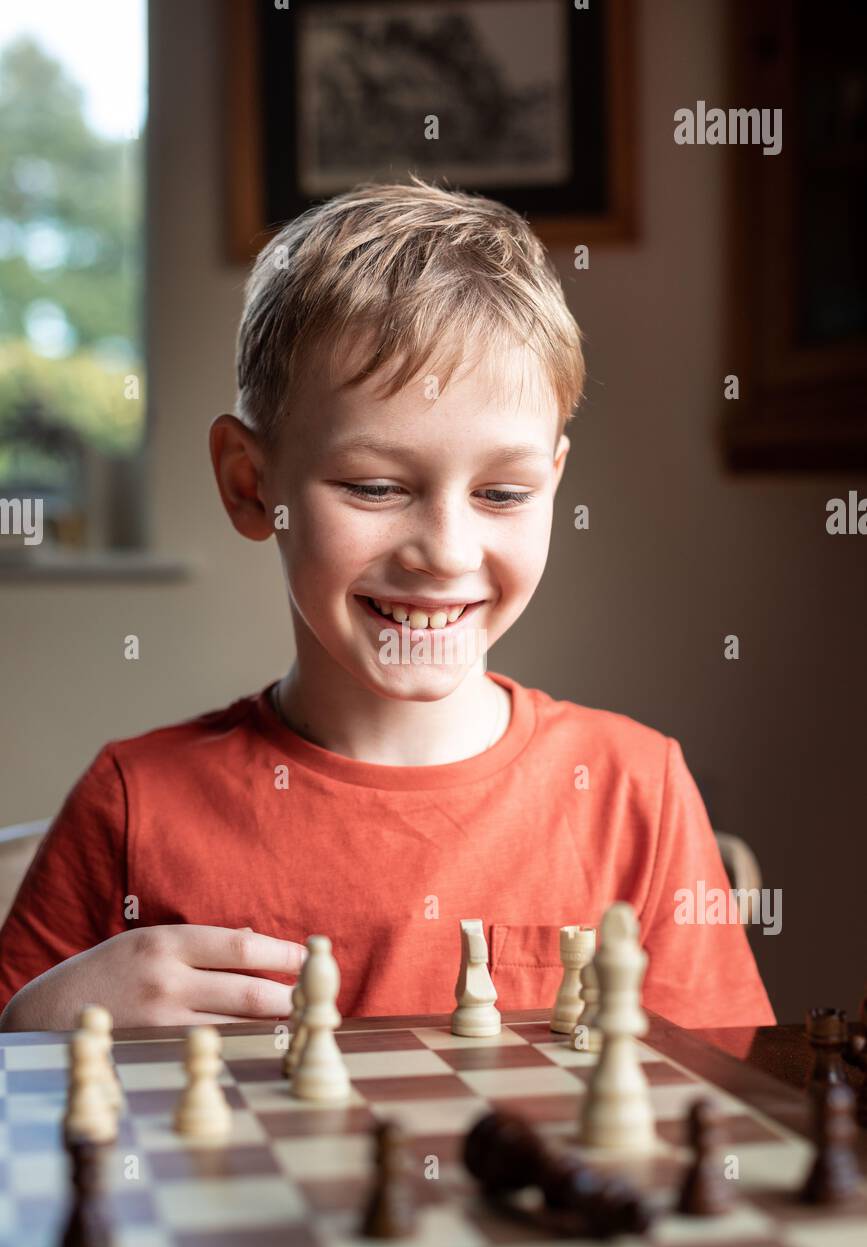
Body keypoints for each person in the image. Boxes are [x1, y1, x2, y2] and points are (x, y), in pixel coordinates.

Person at [0, 177, 775, 1032]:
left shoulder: (638, 789)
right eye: (374, 486)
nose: (444, 550)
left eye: (503, 493)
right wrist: (41, 1021)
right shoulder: (130, 804)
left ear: (555, 480)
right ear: (249, 484)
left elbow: (720, 1111)